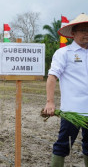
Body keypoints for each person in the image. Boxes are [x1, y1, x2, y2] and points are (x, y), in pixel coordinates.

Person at [43, 13, 88, 167]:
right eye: (83, 30)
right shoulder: (64, 53)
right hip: (72, 111)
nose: (86, 34)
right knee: (63, 145)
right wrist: (50, 102)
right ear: (73, 33)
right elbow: (52, 77)